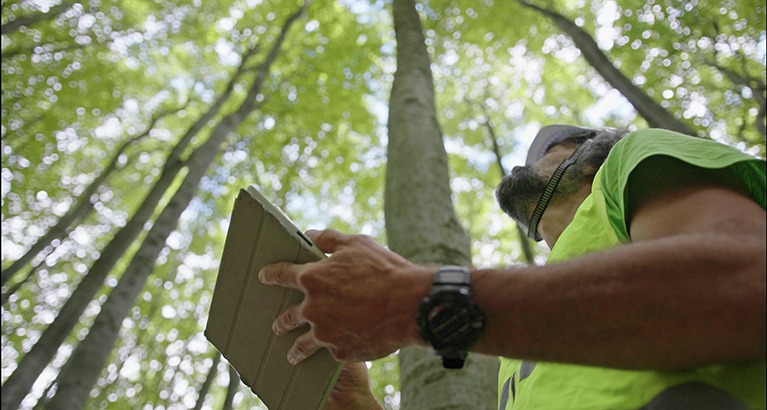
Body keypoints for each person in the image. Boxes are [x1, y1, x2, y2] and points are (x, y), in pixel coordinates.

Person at [259, 125, 766, 409]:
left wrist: (411, 301)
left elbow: (748, 283)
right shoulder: (520, 342)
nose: (523, 166)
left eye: (546, 151)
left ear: (588, 156)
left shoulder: (630, 159)